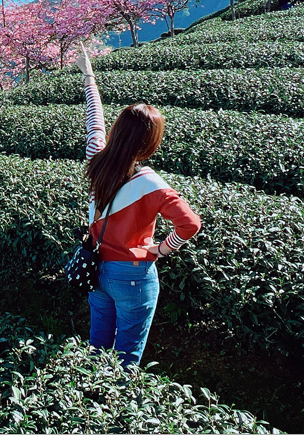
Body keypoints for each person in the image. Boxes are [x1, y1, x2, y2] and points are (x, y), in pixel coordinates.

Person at [74, 42, 201, 368]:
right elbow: (190, 224)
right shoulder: (152, 184)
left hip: (98, 270)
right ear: (150, 143)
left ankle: (87, 399)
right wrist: (161, 250)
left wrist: (89, 76)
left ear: (116, 132)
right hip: (133, 274)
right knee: (126, 357)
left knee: (98, 347)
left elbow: (94, 118)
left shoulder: (96, 157)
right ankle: (116, 410)